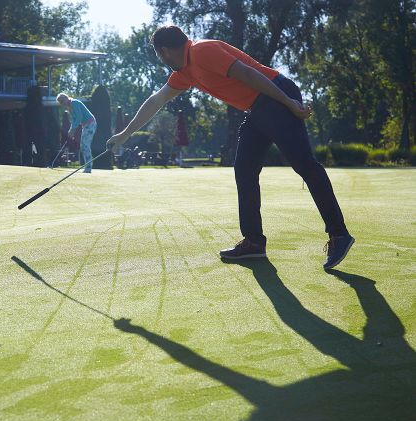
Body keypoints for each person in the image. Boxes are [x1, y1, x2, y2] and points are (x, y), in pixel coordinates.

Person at [107, 25, 354, 270]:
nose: (160, 59)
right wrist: (125, 133)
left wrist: (288, 101)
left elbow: (248, 75)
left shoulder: (202, 51)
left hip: (275, 94)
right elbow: (157, 100)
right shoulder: (185, 72)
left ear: (164, 51)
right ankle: (254, 242)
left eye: (158, 55)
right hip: (258, 108)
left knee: (304, 164)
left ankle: (339, 234)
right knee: (244, 170)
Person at [57, 92, 97, 173]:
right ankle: (88, 166)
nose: (62, 104)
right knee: (83, 145)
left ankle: (88, 167)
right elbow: (74, 120)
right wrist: (71, 130)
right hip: (86, 126)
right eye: (60, 103)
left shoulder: (74, 103)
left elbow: (79, 117)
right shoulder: (70, 107)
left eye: (62, 101)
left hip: (90, 124)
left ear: (66, 98)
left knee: (85, 145)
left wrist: (72, 130)